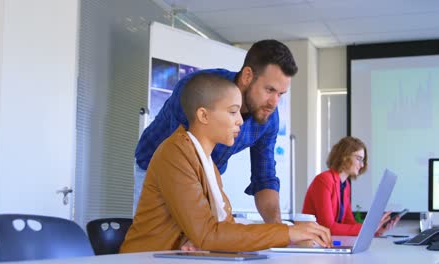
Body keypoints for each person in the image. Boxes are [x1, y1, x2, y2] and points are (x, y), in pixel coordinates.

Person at [120, 73, 331, 253]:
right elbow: (209, 233)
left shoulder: (207, 163)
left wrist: (206, 239)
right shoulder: (175, 153)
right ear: (203, 115)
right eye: (232, 112)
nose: (240, 120)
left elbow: (223, 226)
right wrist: (289, 232)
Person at [134, 39, 298, 223]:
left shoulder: (268, 117)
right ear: (247, 76)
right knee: (160, 238)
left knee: (203, 240)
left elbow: (265, 177)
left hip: (206, 176)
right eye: (270, 90)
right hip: (155, 167)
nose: (275, 102)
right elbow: (181, 161)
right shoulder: (199, 90)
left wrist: (277, 229)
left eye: (281, 94)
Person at [302, 136, 399, 236]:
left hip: (327, 243)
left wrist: (377, 230)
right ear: (344, 157)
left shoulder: (345, 185)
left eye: (363, 160)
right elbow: (328, 227)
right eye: (359, 159)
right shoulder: (324, 180)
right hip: (314, 244)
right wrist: (369, 228)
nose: (362, 165)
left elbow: (348, 222)